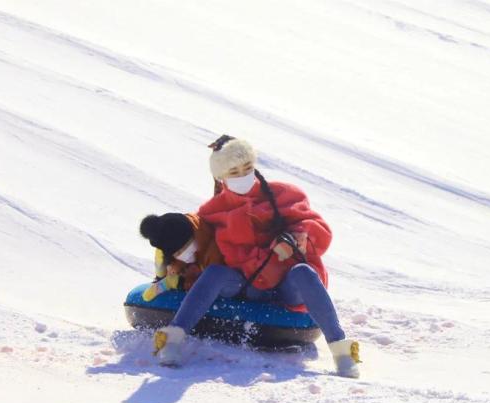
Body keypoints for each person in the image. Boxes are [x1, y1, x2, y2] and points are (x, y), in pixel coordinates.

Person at [152, 135, 360, 378]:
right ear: (221, 176)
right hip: (245, 282)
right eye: (234, 171)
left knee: (304, 273)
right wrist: (175, 260)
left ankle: (342, 351)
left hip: (284, 285)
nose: (242, 175)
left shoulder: (284, 194)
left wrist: (299, 237)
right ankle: (173, 339)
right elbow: (199, 237)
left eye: (247, 168)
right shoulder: (214, 210)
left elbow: (314, 225)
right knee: (215, 273)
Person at [139, 212, 223, 301]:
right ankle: (160, 276)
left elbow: (209, 286)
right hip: (191, 256)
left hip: (209, 272)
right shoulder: (173, 228)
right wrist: (162, 278)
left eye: (179, 252)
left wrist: (178, 283)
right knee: (161, 255)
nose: (178, 256)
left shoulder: (213, 254)